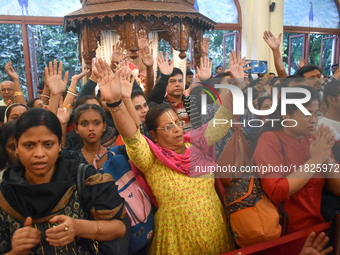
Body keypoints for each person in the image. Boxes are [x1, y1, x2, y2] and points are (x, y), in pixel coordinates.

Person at [93, 56, 240, 255]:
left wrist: (237, 86)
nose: (177, 130)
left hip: (215, 232)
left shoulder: (197, 143)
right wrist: (115, 103)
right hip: (177, 240)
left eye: (178, 123)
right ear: (153, 134)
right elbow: (133, 137)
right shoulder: (152, 159)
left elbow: (223, 119)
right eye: (168, 127)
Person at [0, 108, 127, 254]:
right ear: (16, 146)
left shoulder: (85, 178)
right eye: (29, 145)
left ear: (60, 143)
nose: (39, 154)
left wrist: (78, 227)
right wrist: (16, 252)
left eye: (48, 144)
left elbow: (119, 228)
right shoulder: (5, 194)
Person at [254, 85, 340, 252]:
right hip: (286, 236)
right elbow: (277, 190)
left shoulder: (315, 138)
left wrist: (326, 158)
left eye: (316, 114)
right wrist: (315, 159)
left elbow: (337, 187)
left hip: (321, 230)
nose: (314, 120)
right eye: (307, 113)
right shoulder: (270, 139)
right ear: (286, 114)